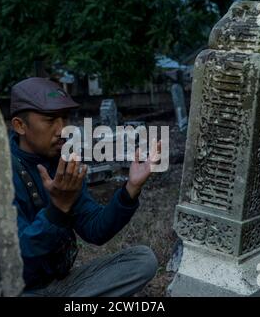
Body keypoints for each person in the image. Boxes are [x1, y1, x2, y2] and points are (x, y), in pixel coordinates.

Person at [9, 77, 159, 296]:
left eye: (64, 118)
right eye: (50, 120)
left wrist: (130, 190)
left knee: (143, 260)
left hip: (60, 285)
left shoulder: (60, 162)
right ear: (20, 125)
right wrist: (57, 210)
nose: (62, 129)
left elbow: (95, 229)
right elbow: (16, 261)